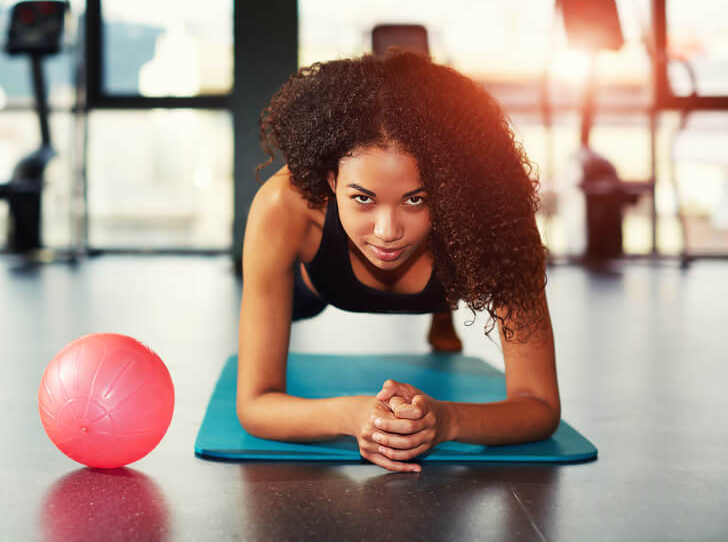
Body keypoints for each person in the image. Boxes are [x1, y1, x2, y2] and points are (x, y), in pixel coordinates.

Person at [236, 49, 560, 472]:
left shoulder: (494, 218)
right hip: (316, 285)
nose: (388, 231)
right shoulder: (286, 206)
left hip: (444, 273)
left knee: (459, 267)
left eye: (416, 199)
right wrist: (352, 416)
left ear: (447, 186)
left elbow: (540, 406)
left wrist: (448, 421)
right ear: (332, 180)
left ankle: (441, 311)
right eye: (363, 198)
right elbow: (255, 404)